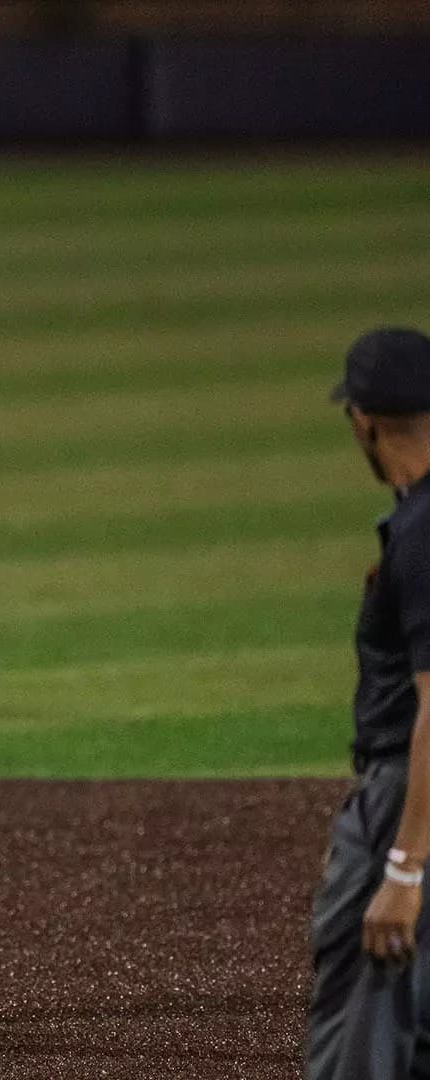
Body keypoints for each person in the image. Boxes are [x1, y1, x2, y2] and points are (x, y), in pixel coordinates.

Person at [307, 327, 430, 1078]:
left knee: (364, 1040)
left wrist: (404, 870)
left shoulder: (421, 533)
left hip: (405, 798)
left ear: (363, 421)